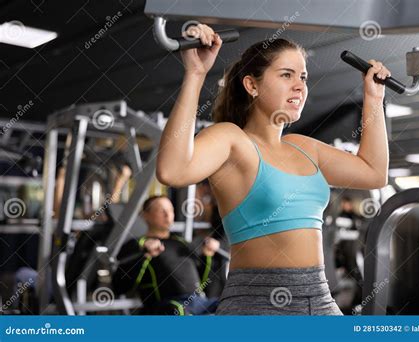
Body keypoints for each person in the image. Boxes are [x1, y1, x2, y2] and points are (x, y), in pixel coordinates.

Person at [156, 24, 389, 315]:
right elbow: (172, 170)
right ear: (252, 85)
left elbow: (373, 172)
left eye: (303, 77)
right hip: (258, 302)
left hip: (320, 299)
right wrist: (196, 74)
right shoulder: (233, 140)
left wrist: (374, 99)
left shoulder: (305, 147)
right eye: (286, 75)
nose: (300, 86)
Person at [112, 195, 221, 315]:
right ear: (145, 215)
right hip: (169, 306)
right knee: (178, 311)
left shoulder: (181, 243)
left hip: (200, 302)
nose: (168, 215)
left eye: (170, 210)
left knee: (233, 304)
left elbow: (205, 283)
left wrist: (208, 255)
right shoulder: (138, 244)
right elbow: (120, 286)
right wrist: (145, 255)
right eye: (161, 211)